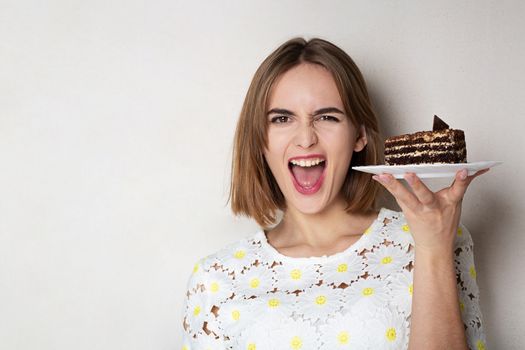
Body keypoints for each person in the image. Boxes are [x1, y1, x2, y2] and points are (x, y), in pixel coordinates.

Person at [180, 37, 487, 350]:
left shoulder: (435, 237)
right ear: (260, 139)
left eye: (327, 117)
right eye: (282, 118)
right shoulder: (216, 278)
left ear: (359, 135)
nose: (305, 138)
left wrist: (434, 249)